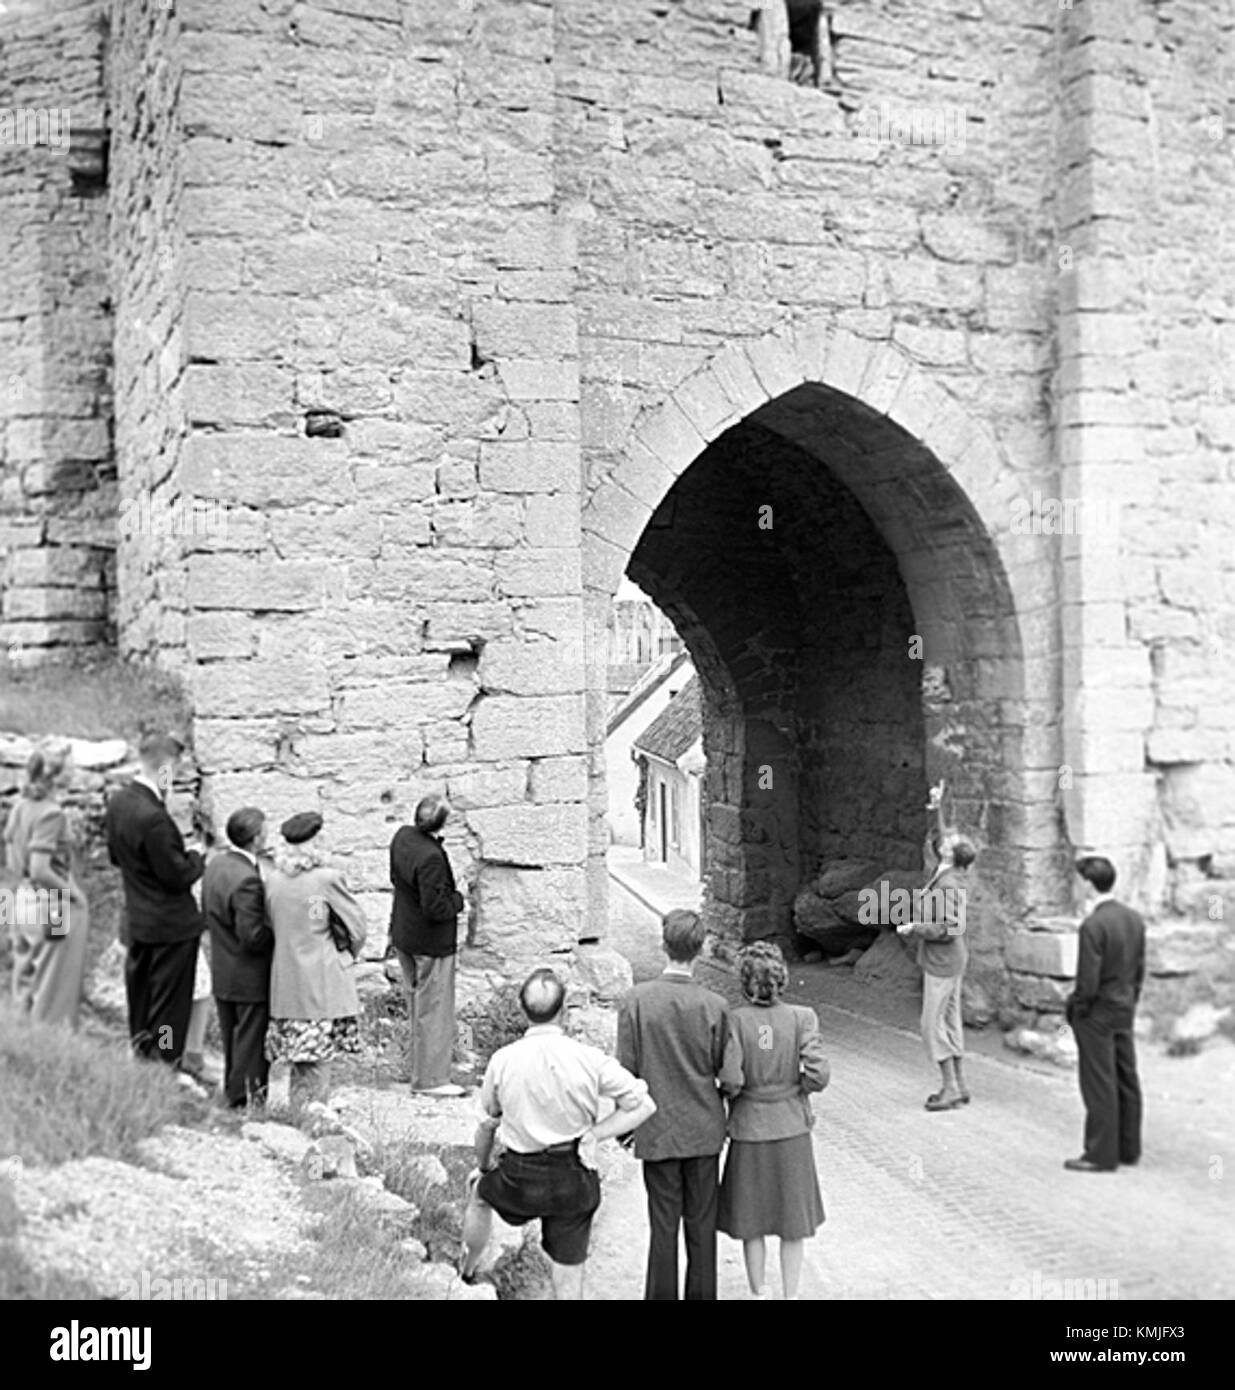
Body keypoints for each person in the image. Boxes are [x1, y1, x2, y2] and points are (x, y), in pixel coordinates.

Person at [460, 967, 657, 1300]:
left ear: (523, 1011)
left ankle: (466, 1271)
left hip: (519, 1175)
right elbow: (643, 1105)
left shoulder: (503, 1060)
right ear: (564, 1011)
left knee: (480, 1193)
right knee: (569, 1274)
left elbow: (489, 1120)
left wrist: (483, 1165)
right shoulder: (589, 1058)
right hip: (573, 1173)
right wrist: (596, 1133)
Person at [617, 908, 730, 1301]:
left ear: (662, 945)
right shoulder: (715, 1006)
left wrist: (626, 1127)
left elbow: (625, 1074)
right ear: (701, 949)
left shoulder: (635, 1001)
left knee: (662, 1226)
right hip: (703, 1129)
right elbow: (726, 1072)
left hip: (657, 1127)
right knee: (702, 1227)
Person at [717, 942, 828, 1301]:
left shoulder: (735, 1019)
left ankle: (758, 1291)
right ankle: (790, 1294)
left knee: (753, 1221)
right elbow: (819, 1073)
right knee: (792, 1221)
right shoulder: (802, 1017)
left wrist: (734, 1094)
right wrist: (798, 1088)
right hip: (791, 1125)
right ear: (781, 978)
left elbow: (731, 1079)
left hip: (749, 1127)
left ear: (744, 981)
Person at [105, 730, 205, 1068]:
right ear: (164, 769)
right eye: (173, 770)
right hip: (171, 926)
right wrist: (197, 857)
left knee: (142, 993)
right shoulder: (154, 819)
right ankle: (165, 1058)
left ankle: (142, 1051)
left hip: (139, 918)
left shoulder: (118, 802)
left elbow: (116, 857)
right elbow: (177, 875)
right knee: (170, 1005)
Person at [264, 811, 368, 1109]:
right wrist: (348, 955)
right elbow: (357, 926)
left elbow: (272, 923)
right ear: (316, 843)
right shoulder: (327, 879)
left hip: (284, 978)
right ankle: (317, 1112)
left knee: (287, 1049)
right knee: (320, 1053)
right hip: (320, 976)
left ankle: (282, 1108)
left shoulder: (273, 880)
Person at [1064, 856, 1146, 1174]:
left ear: (1087, 884)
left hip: (1098, 1011)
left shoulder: (1093, 925)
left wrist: (1077, 1008)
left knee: (1099, 1082)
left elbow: (1088, 981)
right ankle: (1128, 1147)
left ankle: (1100, 1153)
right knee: (1126, 1076)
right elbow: (1139, 970)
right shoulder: (1133, 919)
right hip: (1124, 1005)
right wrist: (1131, 1000)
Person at [897, 780, 976, 1110]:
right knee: (950, 1019)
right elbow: (942, 833)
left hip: (942, 961)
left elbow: (950, 928)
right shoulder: (950, 869)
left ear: (949, 853)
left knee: (932, 1024)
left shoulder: (947, 884)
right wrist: (937, 805)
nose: (946, 837)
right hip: (951, 961)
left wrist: (915, 928)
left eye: (950, 840)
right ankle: (960, 1084)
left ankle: (949, 1087)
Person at [4, 743, 90, 1027]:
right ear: (57, 775)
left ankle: (22, 1040)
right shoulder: (52, 814)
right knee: (54, 981)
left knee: (24, 971)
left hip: (23, 897)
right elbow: (41, 868)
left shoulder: (19, 806)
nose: (74, 771)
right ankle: (52, 1043)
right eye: (70, 767)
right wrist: (71, 894)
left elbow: (12, 860)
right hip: (51, 902)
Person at [389, 793, 467, 1097]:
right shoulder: (431, 856)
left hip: (405, 933)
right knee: (434, 1010)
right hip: (430, 943)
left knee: (417, 1006)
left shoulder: (403, 837)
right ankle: (431, 1081)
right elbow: (436, 908)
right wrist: (458, 901)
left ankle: (418, 1070)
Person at [202, 807, 273, 1108]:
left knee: (233, 1040)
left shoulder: (216, 865)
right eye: (265, 832)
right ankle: (245, 1099)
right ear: (256, 839)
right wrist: (279, 933)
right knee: (250, 1041)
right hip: (248, 973)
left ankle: (232, 1092)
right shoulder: (247, 879)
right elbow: (252, 935)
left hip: (223, 966)